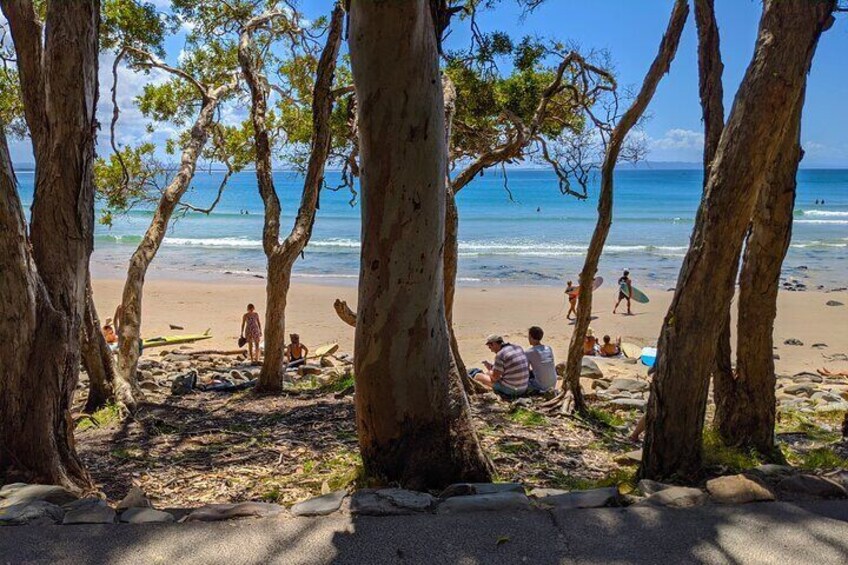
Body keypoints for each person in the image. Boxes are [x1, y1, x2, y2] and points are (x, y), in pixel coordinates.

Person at [524, 326, 557, 393]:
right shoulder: (548, 348)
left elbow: (525, 370)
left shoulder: (529, 352)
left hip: (541, 386)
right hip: (553, 384)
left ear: (530, 336)